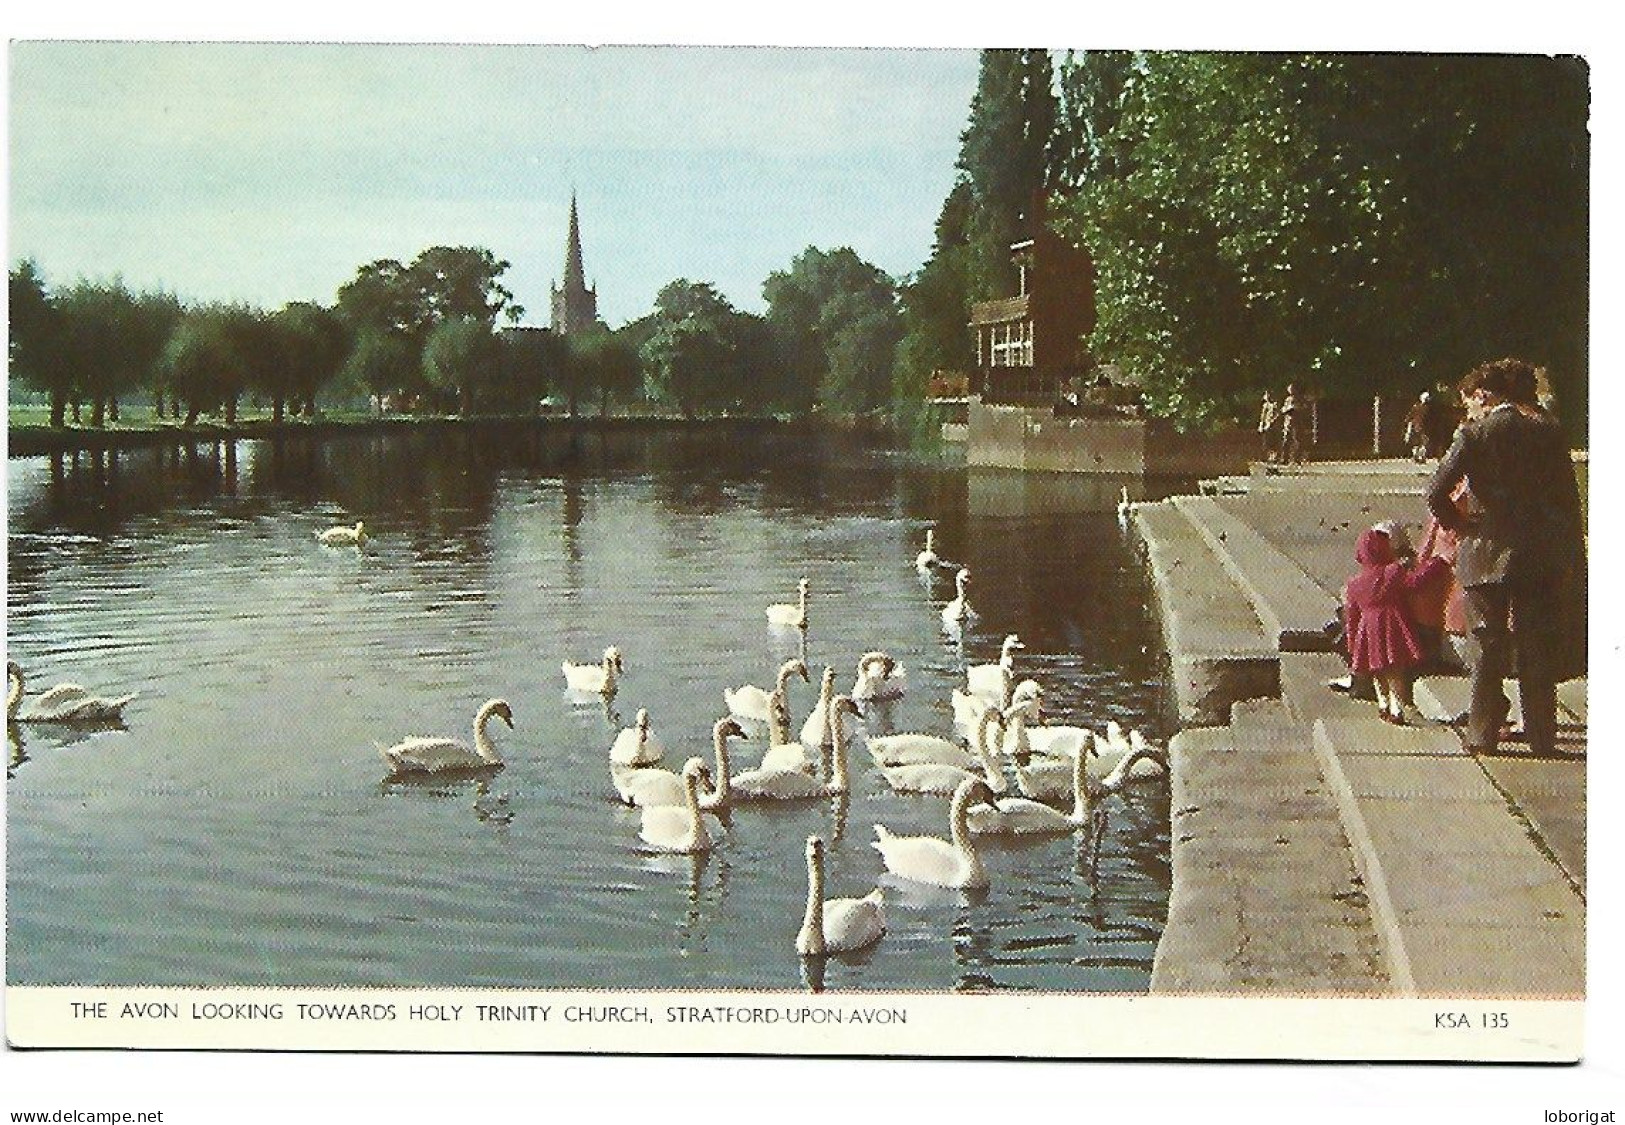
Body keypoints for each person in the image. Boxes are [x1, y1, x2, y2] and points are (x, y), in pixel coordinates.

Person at [1425, 358, 1585, 758]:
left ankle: (1482, 734)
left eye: (1471, 401)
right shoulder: (1548, 431)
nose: (1469, 410)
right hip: (1538, 551)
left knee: (1487, 645)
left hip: (1484, 550)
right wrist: (1571, 553)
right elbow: (1568, 498)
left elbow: (1436, 491)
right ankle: (1542, 735)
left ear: (1485, 395)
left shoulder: (1474, 433)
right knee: (1536, 644)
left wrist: (1461, 524)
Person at [1343, 526, 1449, 724]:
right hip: (1391, 626)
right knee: (1395, 670)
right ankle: (1397, 707)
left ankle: (1383, 704)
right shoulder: (1392, 572)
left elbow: (1352, 616)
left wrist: (1352, 642)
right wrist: (1437, 564)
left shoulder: (1354, 584)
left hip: (1368, 630)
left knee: (1378, 671)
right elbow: (1415, 583)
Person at [1278, 384, 1304, 465]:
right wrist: (1286, 409)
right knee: (1286, 440)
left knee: (1296, 440)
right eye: (1290, 389)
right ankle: (1285, 458)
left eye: (1292, 389)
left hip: (1296, 422)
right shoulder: (1287, 399)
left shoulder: (1299, 399)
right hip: (1288, 422)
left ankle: (1296, 459)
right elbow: (1283, 409)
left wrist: (1292, 408)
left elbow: (1299, 408)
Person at [1257, 390, 1279, 461]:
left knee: (1273, 441)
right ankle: (1268, 455)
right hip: (1266, 426)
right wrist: (1261, 425)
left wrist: (1271, 422)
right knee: (1266, 441)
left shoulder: (1275, 404)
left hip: (1273, 426)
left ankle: (1274, 456)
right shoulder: (1265, 405)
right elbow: (1262, 416)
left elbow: (1277, 414)